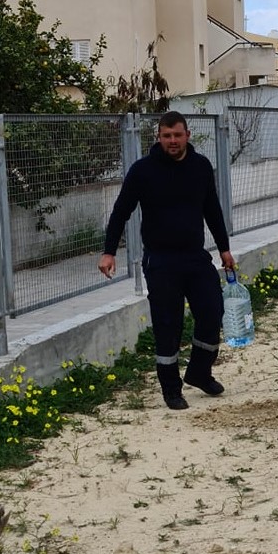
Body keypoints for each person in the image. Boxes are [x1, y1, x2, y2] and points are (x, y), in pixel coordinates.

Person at [99, 111, 235, 410]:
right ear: (159, 138)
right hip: (161, 261)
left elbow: (212, 208)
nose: (172, 141)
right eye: (166, 136)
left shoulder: (201, 167)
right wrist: (109, 251)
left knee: (212, 313)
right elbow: (121, 211)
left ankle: (199, 372)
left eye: (177, 135)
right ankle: (171, 389)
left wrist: (224, 248)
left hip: (195, 257)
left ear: (187, 135)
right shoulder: (142, 171)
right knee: (167, 324)